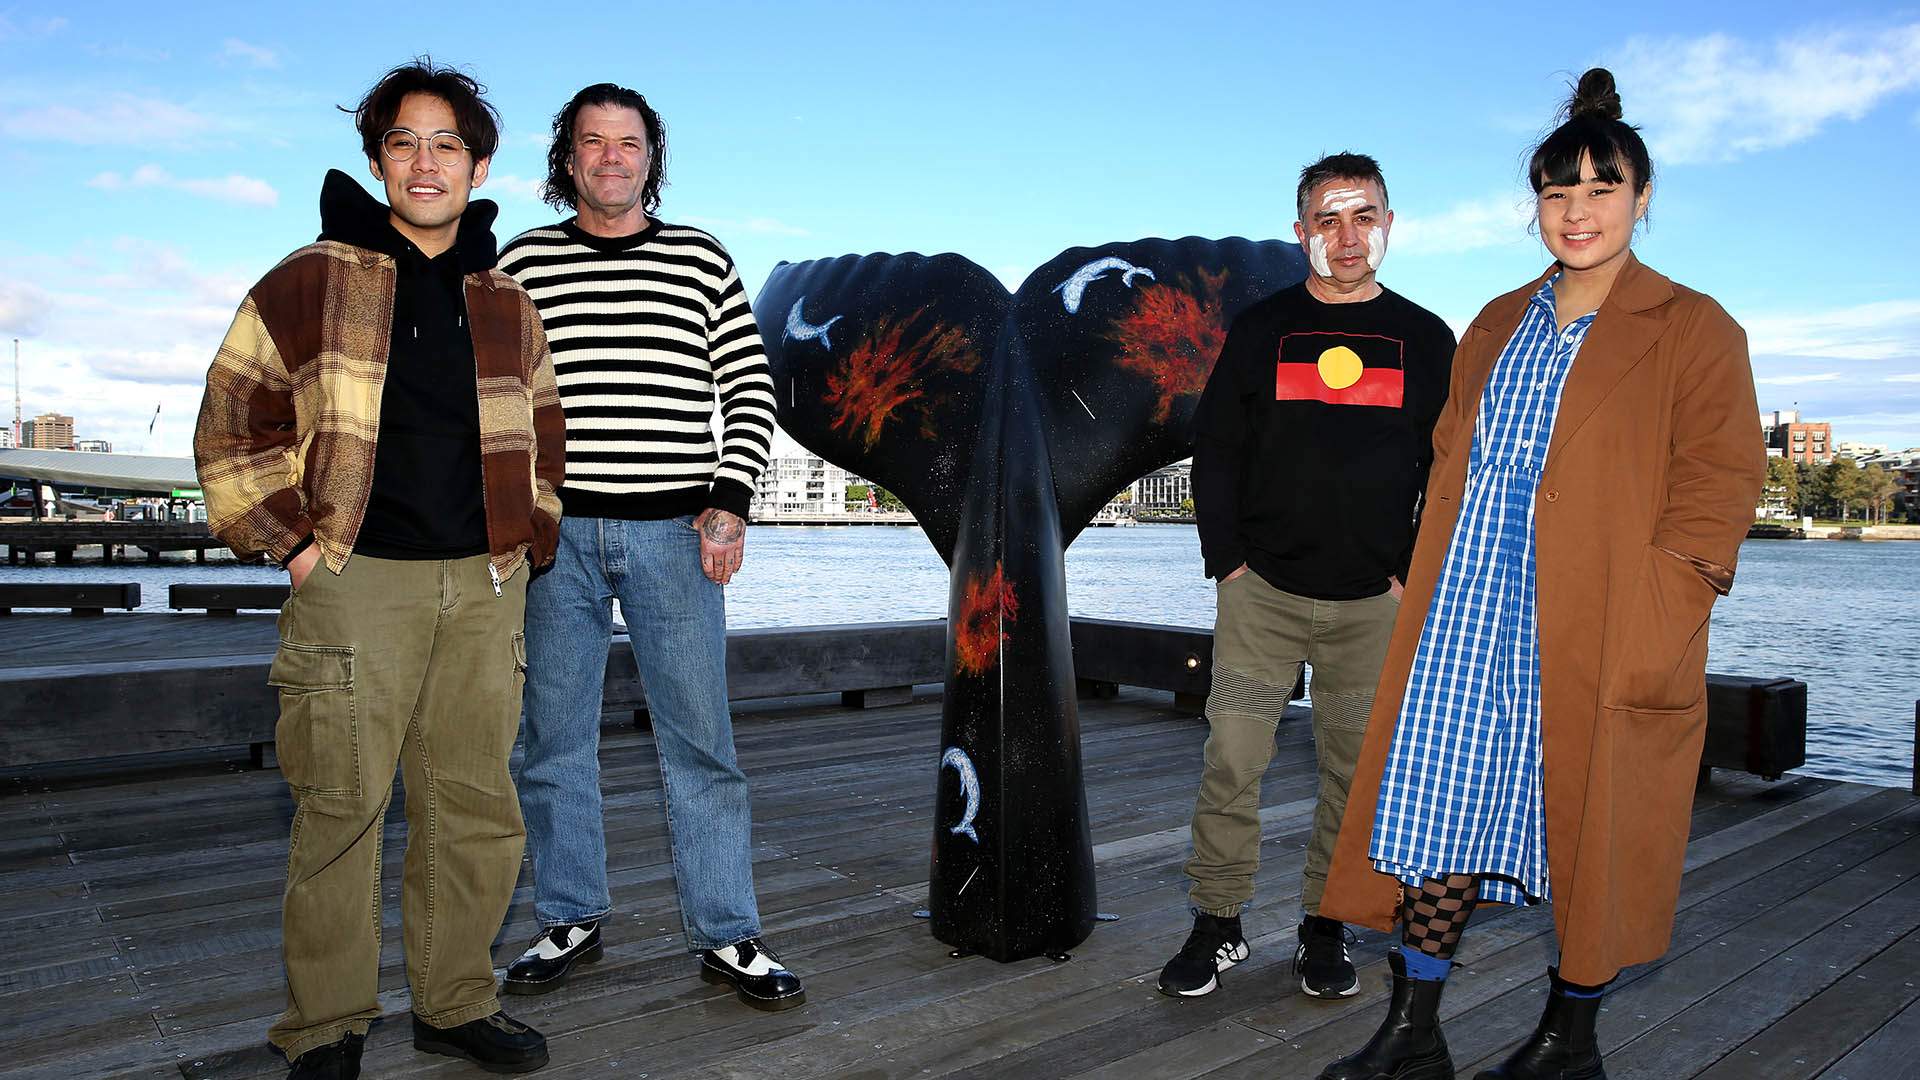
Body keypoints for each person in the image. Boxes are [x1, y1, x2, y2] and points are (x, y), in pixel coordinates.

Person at [1315, 69, 1766, 1080]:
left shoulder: (1692, 327)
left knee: (1592, 818)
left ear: (1642, 199)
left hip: (1606, 606)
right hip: (1471, 598)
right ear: (1536, 205)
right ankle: (1413, 1031)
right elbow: (1448, 454)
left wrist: (1668, 601)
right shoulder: (1496, 319)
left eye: (1603, 189)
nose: (1579, 211)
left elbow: (1723, 478)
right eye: (1559, 192)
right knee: (1441, 802)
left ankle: (1570, 1041)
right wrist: (1412, 562)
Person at [194, 59, 564, 1079]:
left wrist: (532, 534)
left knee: (477, 804)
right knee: (341, 806)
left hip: (483, 587)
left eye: (447, 143)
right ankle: (327, 1026)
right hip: (357, 579)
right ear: (376, 160)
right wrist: (298, 548)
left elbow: (544, 429)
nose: (425, 160)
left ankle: (454, 1003)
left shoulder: (506, 300)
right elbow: (233, 424)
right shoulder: (309, 279)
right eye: (404, 141)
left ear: (478, 165)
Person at [496, 83, 799, 1010]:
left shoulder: (701, 259)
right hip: (557, 541)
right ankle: (570, 915)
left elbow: (749, 389)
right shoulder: (522, 264)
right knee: (550, 741)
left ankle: (728, 931)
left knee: (700, 743)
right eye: (594, 142)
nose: (612, 157)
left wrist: (730, 502)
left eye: (629, 143)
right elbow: (496, 406)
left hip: (677, 535)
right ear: (570, 159)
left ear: (649, 159)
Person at [1159, 153, 1455, 1000]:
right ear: (1302, 234)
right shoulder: (1263, 328)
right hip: (1265, 598)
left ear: (1390, 226)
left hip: (1373, 605)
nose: (1348, 236)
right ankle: (1216, 924)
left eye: (1364, 216)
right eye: (1329, 219)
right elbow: (1216, 448)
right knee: (1233, 760)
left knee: (1354, 776)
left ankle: (1325, 929)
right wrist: (1230, 564)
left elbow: (1450, 471)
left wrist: (1407, 573)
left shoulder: (1428, 339)